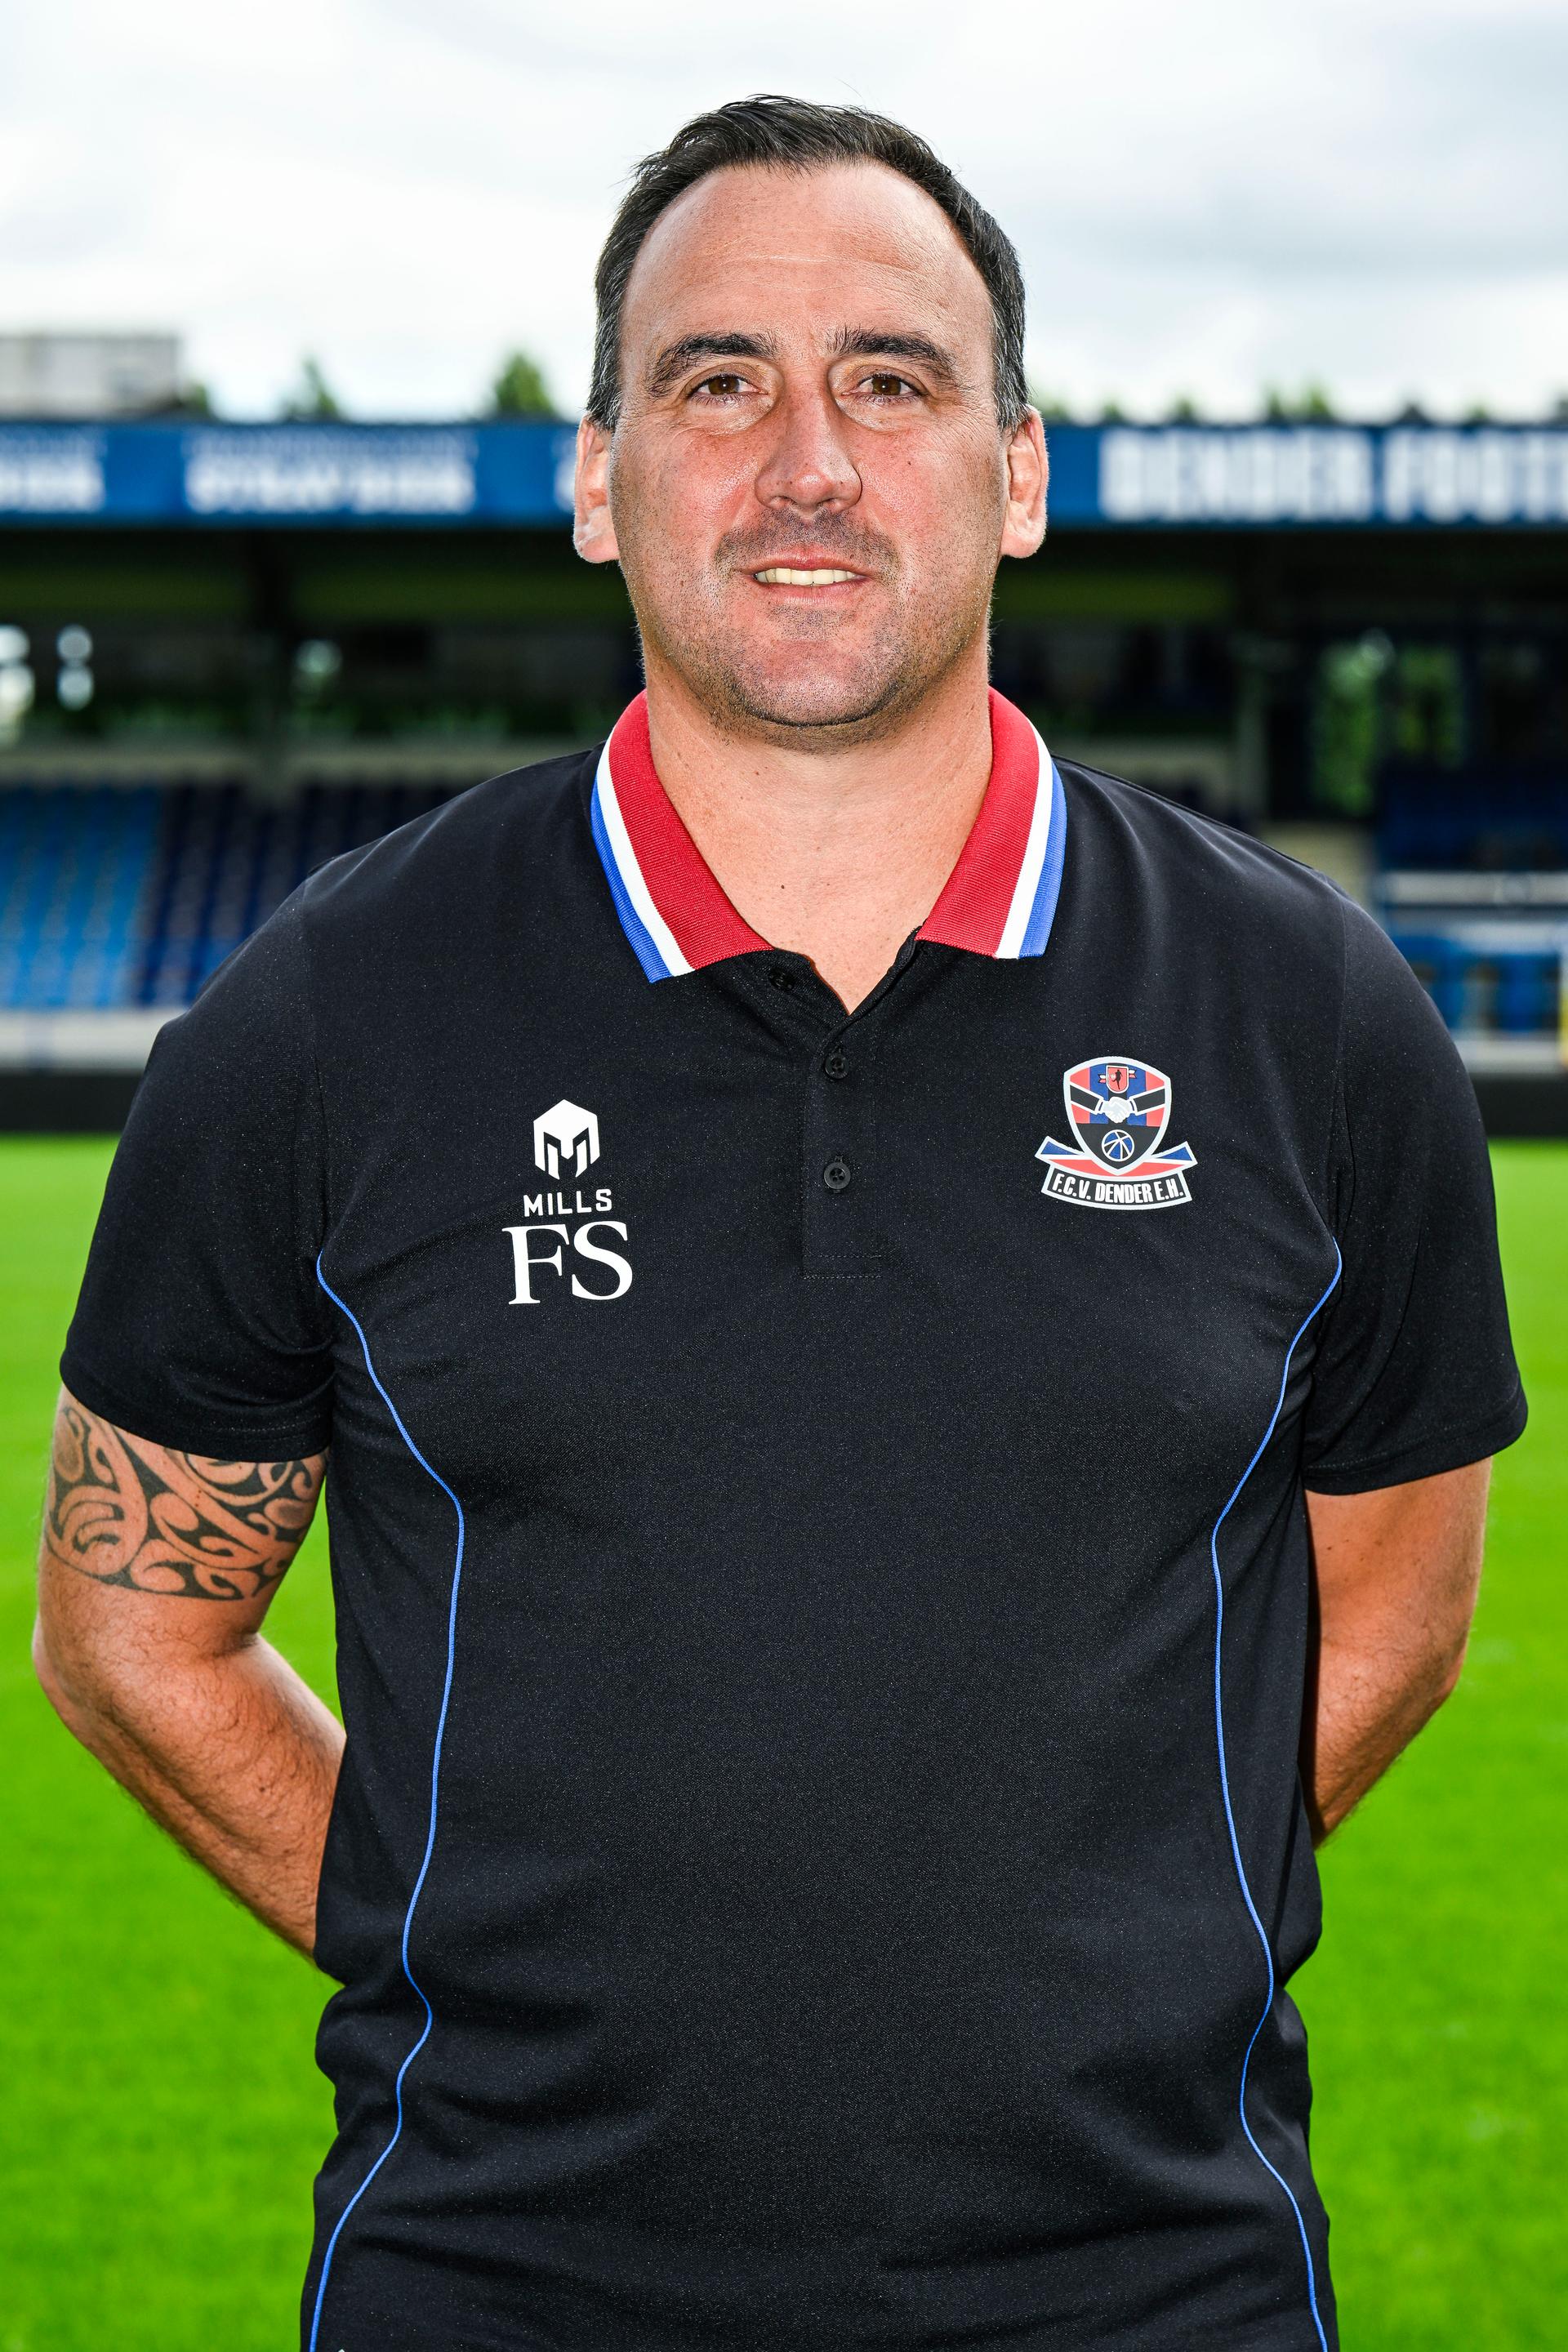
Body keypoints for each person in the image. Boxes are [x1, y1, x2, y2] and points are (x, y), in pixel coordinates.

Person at [35, 96, 1525, 2352]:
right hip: (499, 2284)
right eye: (717, 381)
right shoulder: (323, 1017)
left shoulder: (1308, 1013)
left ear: (1019, 470)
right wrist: (485, 1952)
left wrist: (1096, 1934)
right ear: (596, 476)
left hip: (1152, 2290)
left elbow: (1395, 1603)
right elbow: (130, 1631)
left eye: (893, 381)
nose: (808, 458)